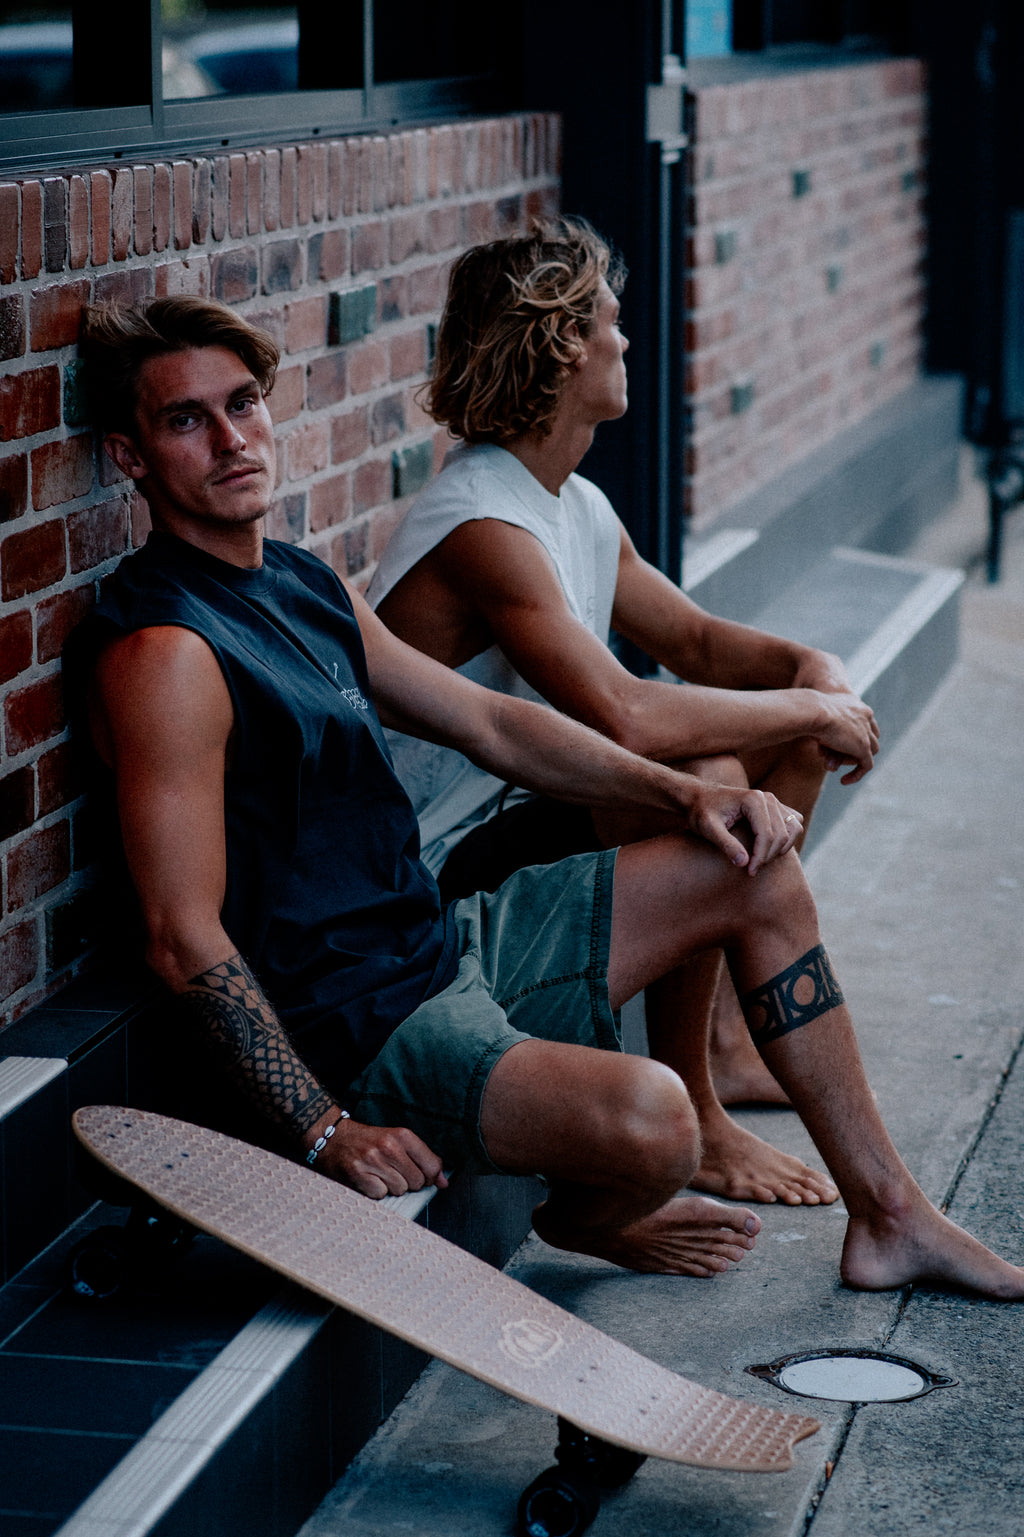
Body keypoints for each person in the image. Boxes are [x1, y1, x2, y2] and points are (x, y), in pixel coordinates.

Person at [70, 293, 1024, 1300]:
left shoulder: (304, 584)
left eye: (243, 404)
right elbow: (182, 935)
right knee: (658, 1123)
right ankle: (585, 1215)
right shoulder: (167, 653)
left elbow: (493, 723)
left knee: (755, 870)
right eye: (186, 420)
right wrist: (322, 1130)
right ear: (131, 457)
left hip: (441, 941)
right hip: (361, 1032)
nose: (230, 438)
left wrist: (682, 799)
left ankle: (891, 1216)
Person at [368, 219, 879, 1207]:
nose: (625, 340)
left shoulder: (572, 504)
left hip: (515, 816)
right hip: (431, 870)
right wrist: (804, 703)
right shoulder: (485, 522)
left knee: (774, 738)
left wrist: (812, 672)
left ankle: (725, 1045)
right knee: (710, 781)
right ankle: (695, 1092)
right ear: (562, 347)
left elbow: (692, 640)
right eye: (610, 321)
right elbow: (626, 714)